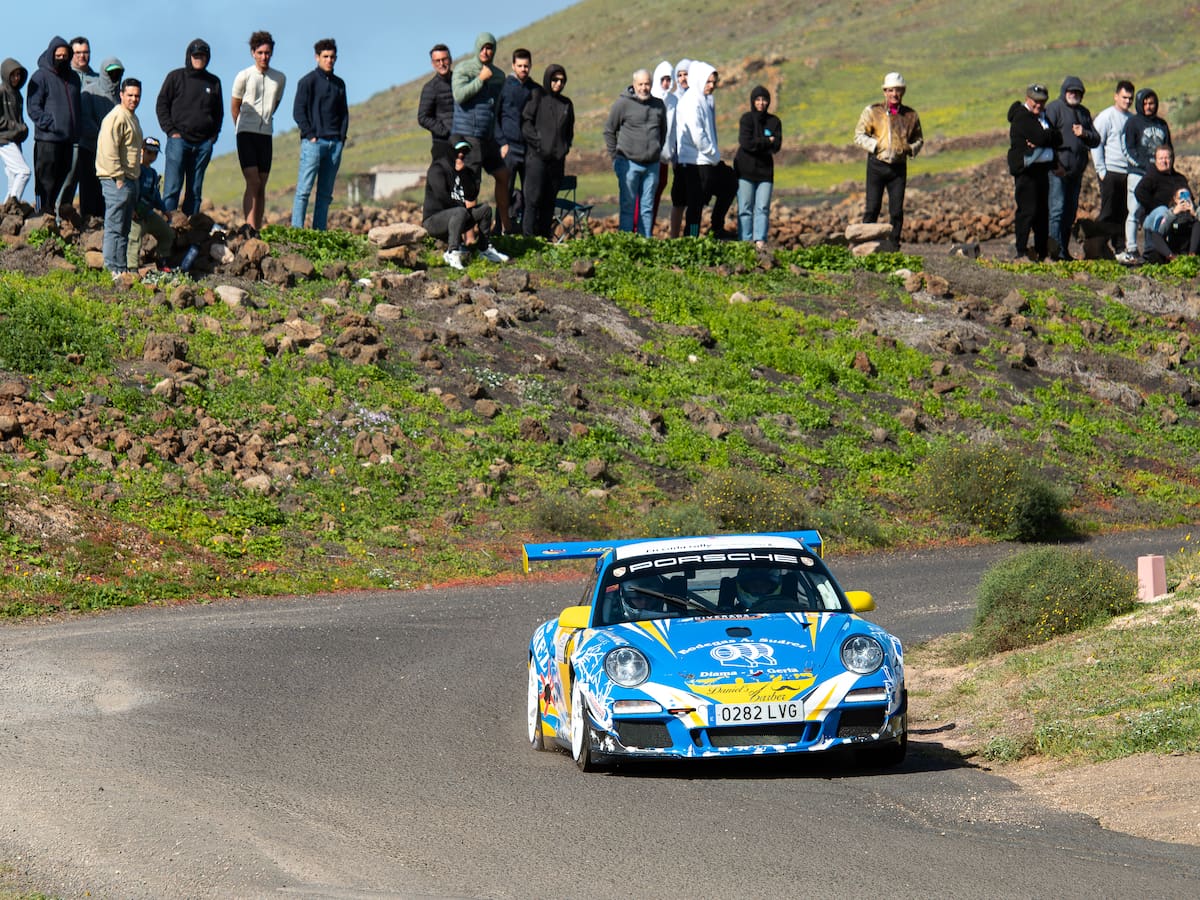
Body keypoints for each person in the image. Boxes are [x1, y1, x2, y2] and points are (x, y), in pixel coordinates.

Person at [450, 33, 512, 234]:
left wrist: (499, 137)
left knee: (503, 175)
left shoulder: (499, 76)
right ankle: (468, 235)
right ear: (477, 48)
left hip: (488, 137)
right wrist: (480, 79)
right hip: (468, 134)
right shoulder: (463, 69)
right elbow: (459, 96)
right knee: (471, 185)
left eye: (490, 48)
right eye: (483, 48)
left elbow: (496, 107)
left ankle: (504, 228)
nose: (486, 51)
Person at [854, 71, 923, 246]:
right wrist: (876, 146)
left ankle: (893, 247)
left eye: (898, 90)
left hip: (898, 168)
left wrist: (910, 149)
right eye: (891, 90)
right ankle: (865, 246)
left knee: (896, 211)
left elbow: (919, 139)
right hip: (876, 165)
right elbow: (859, 135)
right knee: (872, 208)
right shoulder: (872, 111)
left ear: (903, 92)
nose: (894, 94)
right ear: (885, 92)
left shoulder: (911, 115)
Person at [156, 39, 223, 216]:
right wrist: (171, 131)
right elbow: (162, 104)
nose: (199, 59)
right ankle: (168, 228)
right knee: (172, 186)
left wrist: (212, 138)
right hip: (179, 141)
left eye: (202, 55)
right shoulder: (175, 77)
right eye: (196, 55)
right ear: (189, 56)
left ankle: (191, 233)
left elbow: (219, 113)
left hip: (203, 145)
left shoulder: (214, 82)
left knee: (195, 190)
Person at [422, 138, 509, 270]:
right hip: (434, 221)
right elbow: (442, 196)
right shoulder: (438, 169)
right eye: (458, 151)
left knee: (485, 209)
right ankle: (452, 251)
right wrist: (461, 211)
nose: (461, 154)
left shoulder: (464, 170)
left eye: (464, 151)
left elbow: (471, 195)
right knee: (460, 211)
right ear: (450, 151)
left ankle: (484, 250)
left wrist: (463, 173)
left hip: (458, 216)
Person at [231, 31, 286, 234]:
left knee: (262, 184)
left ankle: (258, 227)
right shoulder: (244, 76)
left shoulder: (279, 78)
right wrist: (240, 126)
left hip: (266, 134)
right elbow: (235, 105)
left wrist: (266, 120)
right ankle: (249, 226)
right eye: (261, 52)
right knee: (252, 180)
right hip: (245, 132)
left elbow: (276, 103)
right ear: (253, 52)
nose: (264, 57)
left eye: (268, 53)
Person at [291, 38, 348, 231]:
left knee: (325, 194)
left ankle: (320, 232)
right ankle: (297, 231)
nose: (329, 60)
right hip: (313, 144)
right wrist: (310, 135)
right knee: (304, 191)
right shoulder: (307, 82)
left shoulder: (340, 84)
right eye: (325, 56)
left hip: (334, 145)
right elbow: (298, 111)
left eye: (332, 57)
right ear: (317, 57)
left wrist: (341, 139)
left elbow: (344, 114)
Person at [603, 68, 666, 237]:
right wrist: (615, 158)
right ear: (634, 85)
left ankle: (645, 245)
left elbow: (663, 132)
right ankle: (626, 245)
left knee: (647, 207)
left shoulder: (658, 105)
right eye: (641, 84)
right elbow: (609, 131)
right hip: (628, 163)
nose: (644, 88)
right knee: (628, 207)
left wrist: (656, 151)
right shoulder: (622, 104)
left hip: (652, 165)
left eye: (647, 84)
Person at [676, 61, 735, 238]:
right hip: (696, 162)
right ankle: (690, 239)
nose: (711, 86)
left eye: (714, 82)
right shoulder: (692, 101)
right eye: (708, 82)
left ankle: (717, 227)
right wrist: (713, 153)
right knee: (695, 206)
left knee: (730, 182)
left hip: (707, 160)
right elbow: (698, 134)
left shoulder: (703, 99)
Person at [1043, 76, 1099, 261]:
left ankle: (1063, 252)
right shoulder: (1054, 108)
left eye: (1077, 92)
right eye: (1070, 91)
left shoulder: (1084, 113)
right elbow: (1045, 137)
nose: (1073, 95)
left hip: (1076, 173)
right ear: (1064, 92)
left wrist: (1084, 133)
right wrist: (1054, 164)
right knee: (1056, 211)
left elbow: (1096, 139)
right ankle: (1053, 252)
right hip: (1057, 171)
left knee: (1069, 213)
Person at [27, 36, 82, 218]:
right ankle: (40, 213)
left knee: (63, 173)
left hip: (68, 139)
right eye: (58, 55)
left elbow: (77, 106)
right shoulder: (40, 76)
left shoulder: (74, 78)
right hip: (47, 140)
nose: (62, 59)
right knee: (45, 180)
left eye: (65, 55)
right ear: (51, 55)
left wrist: (76, 130)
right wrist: (49, 124)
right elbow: (33, 107)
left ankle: (50, 209)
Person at [1007, 82, 1060, 261]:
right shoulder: (1022, 117)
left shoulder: (1042, 117)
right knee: (1027, 211)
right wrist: (1045, 137)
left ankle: (1041, 251)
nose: (1039, 105)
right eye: (1035, 101)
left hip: (1041, 170)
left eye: (1042, 102)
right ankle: (1021, 251)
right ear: (1027, 99)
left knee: (1042, 213)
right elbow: (1040, 136)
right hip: (1027, 171)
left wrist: (1045, 138)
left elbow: (1057, 138)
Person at [95, 78, 144, 275]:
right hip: (116, 179)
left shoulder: (132, 117)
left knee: (124, 228)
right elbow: (109, 148)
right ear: (121, 95)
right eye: (130, 95)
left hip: (130, 179)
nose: (134, 99)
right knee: (114, 226)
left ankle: (120, 268)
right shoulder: (116, 117)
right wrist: (118, 177)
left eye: (137, 95)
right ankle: (111, 270)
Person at [1119, 88, 1172, 265]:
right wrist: (1143, 166)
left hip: (1158, 177)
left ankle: (1153, 249)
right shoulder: (1132, 123)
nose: (1149, 106)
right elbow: (1127, 149)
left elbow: (1168, 148)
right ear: (1140, 104)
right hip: (1137, 174)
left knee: (1156, 212)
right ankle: (1132, 248)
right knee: (1134, 211)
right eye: (1146, 103)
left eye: (1152, 103)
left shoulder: (1162, 125)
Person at [520, 64, 573, 239]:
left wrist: (564, 148)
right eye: (555, 80)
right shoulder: (537, 97)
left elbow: (569, 131)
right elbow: (526, 123)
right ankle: (528, 240)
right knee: (533, 199)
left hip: (557, 161)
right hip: (536, 158)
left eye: (562, 80)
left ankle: (544, 237)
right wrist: (539, 144)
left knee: (549, 201)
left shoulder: (567, 104)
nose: (558, 83)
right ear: (548, 79)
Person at [1090, 81, 1135, 256]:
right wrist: (1101, 170)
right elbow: (1096, 142)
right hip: (1110, 171)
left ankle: (1119, 247)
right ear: (1116, 96)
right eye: (1124, 97)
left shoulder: (1131, 119)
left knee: (1123, 211)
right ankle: (1096, 245)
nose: (1127, 101)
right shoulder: (1106, 116)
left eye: (1130, 98)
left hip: (1127, 172)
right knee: (1108, 211)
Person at [734, 85, 782, 249]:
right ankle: (745, 242)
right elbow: (745, 143)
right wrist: (765, 141)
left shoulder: (774, 122)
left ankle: (760, 241)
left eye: (764, 100)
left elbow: (776, 146)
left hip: (765, 173)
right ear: (752, 101)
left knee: (762, 207)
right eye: (758, 99)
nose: (761, 103)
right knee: (745, 208)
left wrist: (758, 142)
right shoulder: (746, 119)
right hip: (744, 171)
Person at [1134, 145, 1199, 261]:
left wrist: (1190, 208)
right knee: (1162, 211)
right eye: (1161, 158)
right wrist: (1156, 206)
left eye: (1167, 158)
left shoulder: (1180, 178)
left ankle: (1191, 252)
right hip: (1155, 216)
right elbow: (1139, 192)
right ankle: (1151, 249)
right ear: (1156, 160)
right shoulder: (1151, 176)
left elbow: (1190, 198)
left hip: (1179, 216)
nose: (1164, 161)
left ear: (1172, 159)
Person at [79, 57, 124, 219]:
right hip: (90, 149)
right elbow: (84, 119)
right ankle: (88, 223)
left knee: (106, 190)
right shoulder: (89, 91)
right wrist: (103, 138)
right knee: (89, 187)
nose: (114, 75)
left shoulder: (121, 96)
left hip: (112, 154)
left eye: (117, 72)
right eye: (111, 72)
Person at [494, 48, 535, 228]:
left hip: (528, 149)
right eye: (519, 66)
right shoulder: (503, 87)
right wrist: (501, 143)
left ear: (530, 66)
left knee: (528, 192)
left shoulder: (534, 89)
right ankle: (499, 230)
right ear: (513, 65)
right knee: (505, 189)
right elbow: (493, 117)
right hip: (509, 147)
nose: (523, 69)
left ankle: (526, 233)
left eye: (526, 66)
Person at [127, 136, 175, 270]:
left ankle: (161, 261)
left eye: (155, 153)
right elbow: (130, 191)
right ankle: (131, 268)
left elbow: (156, 196)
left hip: (148, 213)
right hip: (136, 215)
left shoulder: (153, 174)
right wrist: (131, 208)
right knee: (134, 239)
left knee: (167, 234)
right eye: (149, 152)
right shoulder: (137, 170)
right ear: (141, 151)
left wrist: (164, 210)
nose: (152, 156)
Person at [0, 58, 31, 202]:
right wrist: (15, 126)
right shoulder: (1, 92)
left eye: (18, 74)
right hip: (3, 139)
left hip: (15, 140)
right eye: (13, 74)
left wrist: (23, 130)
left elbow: (20, 120)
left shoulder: (18, 95)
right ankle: (13, 205)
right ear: (6, 74)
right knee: (24, 172)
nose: (16, 78)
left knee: (13, 178)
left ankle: (6, 211)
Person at [649, 60, 674, 233]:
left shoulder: (674, 101)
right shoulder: (651, 99)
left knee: (657, 194)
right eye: (663, 79)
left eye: (668, 80)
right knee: (645, 196)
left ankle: (649, 229)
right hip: (651, 157)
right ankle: (638, 232)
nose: (666, 83)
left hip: (665, 157)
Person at [417, 44, 454, 160]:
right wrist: (445, 132)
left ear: (451, 59)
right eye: (437, 61)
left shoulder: (461, 81)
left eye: (444, 59)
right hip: (443, 145)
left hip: (466, 142)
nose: (441, 64)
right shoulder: (430, 88)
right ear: (433, 64)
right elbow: (422, 117)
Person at [667, 59, 691, 237]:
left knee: (695, 200)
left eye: (686, 74)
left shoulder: (701, 96)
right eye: (680, 75)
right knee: (679, 199)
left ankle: (691, 237)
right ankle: (674, 238)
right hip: (680, 156)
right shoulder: (675, 98)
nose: (683, 78)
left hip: (697, 157)